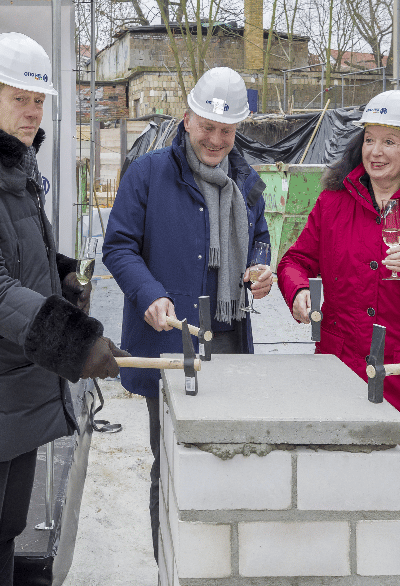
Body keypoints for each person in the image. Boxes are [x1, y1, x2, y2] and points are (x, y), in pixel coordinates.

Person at [0, 31, 123, 586]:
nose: (33, 112)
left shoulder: (10, 166)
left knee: (5, 531)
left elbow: (14, 257)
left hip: (18, 384)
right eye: (20, 99)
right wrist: (77, 341)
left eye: (39, 101)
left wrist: (60, 276)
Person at [277, 89, 400, 586]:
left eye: (390, 141)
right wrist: (299, 291)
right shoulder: (333, 202)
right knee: (338, 495)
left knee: (399, 499)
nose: (376, 152)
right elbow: (295, 261)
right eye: (370, 140)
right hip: (341, 375)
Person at [102, 66, 273, 563]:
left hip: (226, 342)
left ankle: (216, 562)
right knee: (173, 460)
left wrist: (261, 266)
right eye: (207, 127)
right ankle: (170, 564)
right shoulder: (150, 173)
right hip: (168, 344)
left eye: (226, 131)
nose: (215, 140)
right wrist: (149, 293)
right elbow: (119, 247)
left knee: (226, 458)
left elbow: (258, 237)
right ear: (187, 118)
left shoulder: (246, 181)